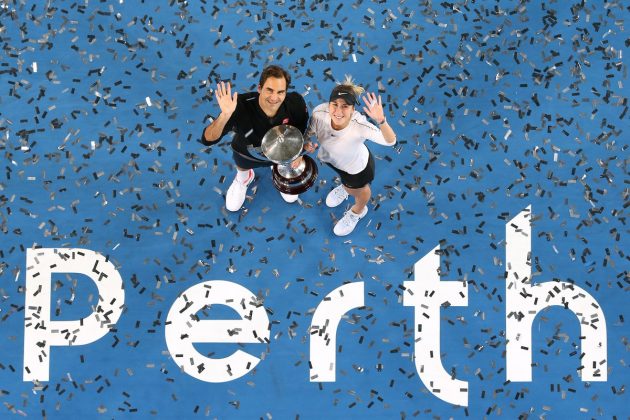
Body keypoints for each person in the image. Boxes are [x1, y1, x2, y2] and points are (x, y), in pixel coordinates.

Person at [201, 65, 309, 211]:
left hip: (282, 152)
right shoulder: (239, 106)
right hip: (247, 153)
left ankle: (279, 170)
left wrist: (298, 153)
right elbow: (208, 139)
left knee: (292, 195)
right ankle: (244, 177)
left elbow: (301, 129)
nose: (274, 97)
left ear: (286, 92)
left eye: (280, 92)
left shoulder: (295, 103)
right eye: (269, 90)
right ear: (259, 88)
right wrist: (225, 115)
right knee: (241, 167)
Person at [303, 77, 397, 236]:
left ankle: (357, 212)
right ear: (329, 104)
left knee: (361, 191)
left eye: (345, 106)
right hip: (332, 160)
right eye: (335, 104)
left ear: (353, 109)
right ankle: (345, 188)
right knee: (347, 183)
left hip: (356, 169)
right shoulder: (319, 112)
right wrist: (306, 142)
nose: (338, 111)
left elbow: (390, 141)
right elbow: (310, 130)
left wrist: (381, 121)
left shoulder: (360, 126)